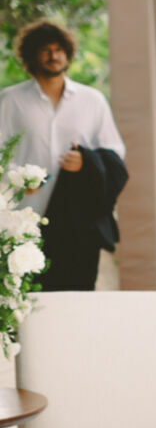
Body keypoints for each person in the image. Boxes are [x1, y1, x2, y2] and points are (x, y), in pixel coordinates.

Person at [0, 19, 126, 291]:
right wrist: (17, 180)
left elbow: (114, 151)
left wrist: (87, 161)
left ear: (67, 53)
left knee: (78, 295)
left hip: (79, 221)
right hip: (27, 220)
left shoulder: (92, 100)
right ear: (31, 55)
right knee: (31, 297)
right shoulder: (10, 101)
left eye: (59, 49)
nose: (53, 55)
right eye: (45, 49)